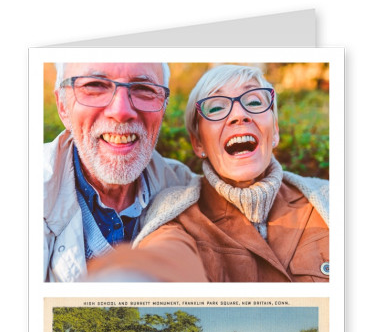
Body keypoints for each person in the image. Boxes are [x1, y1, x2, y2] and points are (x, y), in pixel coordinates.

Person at [87, 64, 329, 282]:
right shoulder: (176, 215)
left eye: (254, 102)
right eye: (216, 107)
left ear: (274, 130)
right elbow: (165, 257)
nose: (239, 115)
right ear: (198, 143)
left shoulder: (328, 199)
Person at [44, 62, 198, 282]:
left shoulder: (187, 190)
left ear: (163, 107)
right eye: (95, 85)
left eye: (144, 89)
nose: (121, 112)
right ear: (62, 106)